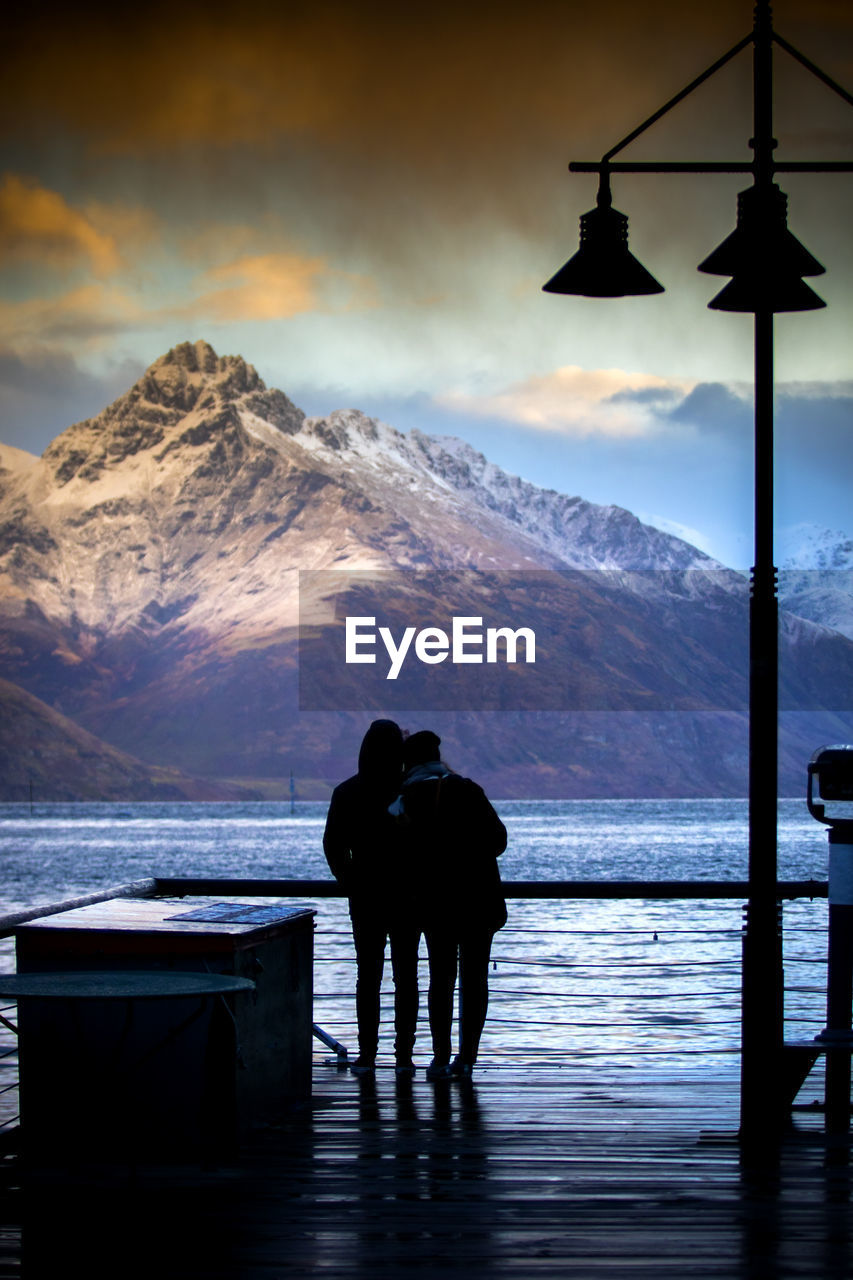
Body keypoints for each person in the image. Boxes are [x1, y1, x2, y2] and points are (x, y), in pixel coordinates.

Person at [390, 730, 507, 1081]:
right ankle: (467, 1057)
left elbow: (398, 855)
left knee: (440, 979)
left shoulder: (406, 799)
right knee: (475, 980)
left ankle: (439, 1057)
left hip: (435, 902)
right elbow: (498, 841)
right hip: (478, 901)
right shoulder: (469, 789)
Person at [323, 719, 421, 1077]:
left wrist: (349, 880)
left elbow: (333, 846)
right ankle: (404, 1055)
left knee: (368, 977)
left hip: (365, 897)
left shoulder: (346, 792)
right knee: (406, 977)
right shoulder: (410, 792)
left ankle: (367, 1054)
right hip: (408, 896)